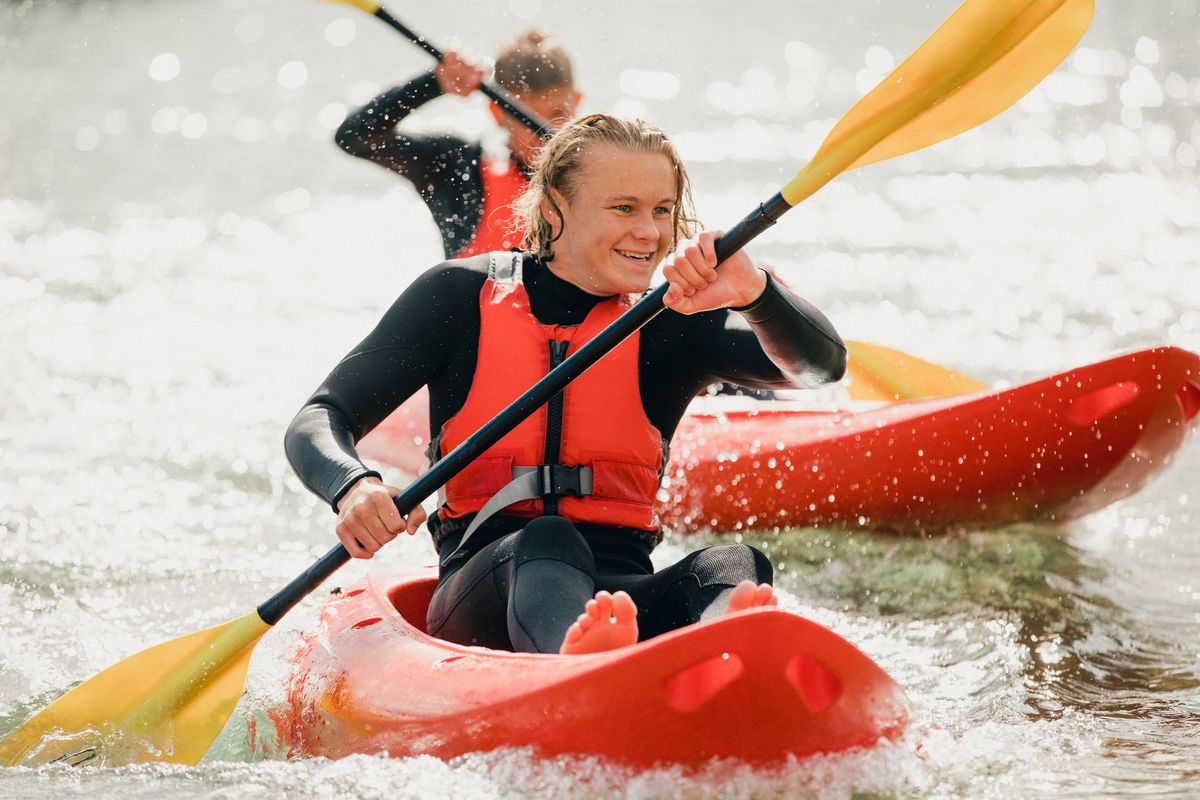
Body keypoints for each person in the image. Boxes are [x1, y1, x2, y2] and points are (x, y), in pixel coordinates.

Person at [286, 114, 847, 655]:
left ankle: (729, 651)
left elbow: (821, 369)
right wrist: (354, 486)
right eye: (623, 208)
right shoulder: (457, 299)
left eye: (662, 210)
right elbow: (320, 416)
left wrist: (757, 292)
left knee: (734, 564)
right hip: (486, 593)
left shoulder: (673, 323)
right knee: (548, 539)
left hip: (620, 599)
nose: (650, 233)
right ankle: (582, 663)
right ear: (555, 206)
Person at [335, 29, 581, 259]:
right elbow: (354, 138)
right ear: (496, 113)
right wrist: (433, 83)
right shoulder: (457, 169)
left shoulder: (597, 175)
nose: (540, 132)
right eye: (524, 117)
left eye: (556, 112)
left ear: (577, 102)